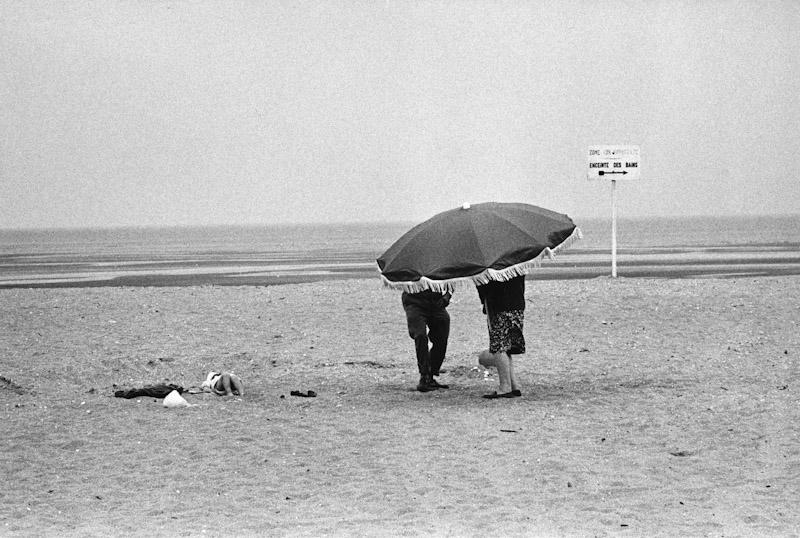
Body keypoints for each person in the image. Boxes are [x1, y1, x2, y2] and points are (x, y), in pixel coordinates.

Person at [476, 275, 526, 399]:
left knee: (499, 346)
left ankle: (505, 386)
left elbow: (485, 283)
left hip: (499, 305)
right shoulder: (514, 258)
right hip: (517, 304)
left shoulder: (494, 263)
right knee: (507, 346)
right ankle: (514, 385)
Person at [401, 288, 452, 392]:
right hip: (414, 301)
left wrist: (447, 296)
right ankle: (424, 376)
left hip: (435, 301)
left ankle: (431, 374)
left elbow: (453, 274)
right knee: (420, 335)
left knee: (441, 335)